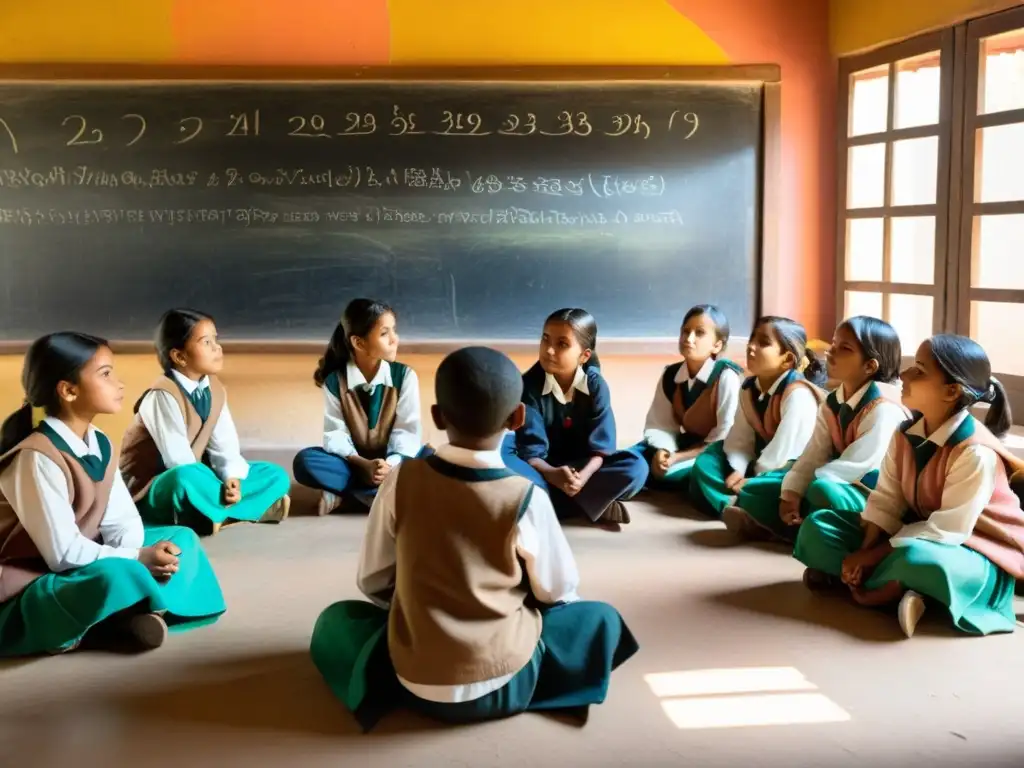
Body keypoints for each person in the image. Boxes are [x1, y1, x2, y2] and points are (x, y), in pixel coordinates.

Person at [309, 347, 638, 729]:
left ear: (436, 415)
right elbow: (556, 592)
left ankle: (390, 682)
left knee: (335, 621)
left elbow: (373, 581)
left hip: (412, 676)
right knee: (599, 619)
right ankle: (542, 689)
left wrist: (415, 609)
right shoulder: (526, 495)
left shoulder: (401, 480)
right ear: (518, 417)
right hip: (506, 681)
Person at [0, 332, 225, 656]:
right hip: (36, 580)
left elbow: (121, 520)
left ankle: (125, 615)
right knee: (115, 574)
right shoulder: (36, 457)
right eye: (106, 374)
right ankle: (128, 614)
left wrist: (144, 552)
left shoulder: (100, 441)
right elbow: (61, 555)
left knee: (181, 540)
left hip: (86, 558)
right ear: (68, 390)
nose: (119, 384)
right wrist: (137, 559)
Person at [794, 335, 1024, 637]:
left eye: (919, 370)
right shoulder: (904, 434)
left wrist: (871, 557)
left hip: (971, 550)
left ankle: (876, 582)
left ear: (951, 391)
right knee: (818, 527)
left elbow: (947, 529)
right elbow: (887, 499)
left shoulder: (975, 452)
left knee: (918, 559)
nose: (904, 375)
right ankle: (900, 589)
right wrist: (865, 548)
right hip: (912, 534)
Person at [727, 316, 907, 542]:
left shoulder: (885, 408)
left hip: (869, 495)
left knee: (822, 490)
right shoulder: (833, 402)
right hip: (833, 478)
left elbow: (856, 467)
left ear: (870, 366)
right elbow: (813, 454)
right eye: (833, 344)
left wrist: (804, 486)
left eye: (845, 348)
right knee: (757, 488)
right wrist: (791, 492)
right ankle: (792, 529)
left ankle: (781, 530)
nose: (831, 352)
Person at [120, 309, 291, 535]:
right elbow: (177, 460)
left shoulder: (215, 390)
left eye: (216, 340)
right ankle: (238, 512)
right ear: (179, 356)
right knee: (186, 478)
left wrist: (232, 479)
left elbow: (225, 446)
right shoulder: (162, 395)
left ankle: (216, 515)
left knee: (275, 474)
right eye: (206, 342)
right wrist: (214, 483)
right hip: (156, 486)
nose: (217, 348)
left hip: (201, 476)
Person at [503, 309, 648, 525]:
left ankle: (551, 503)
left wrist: (582, 478)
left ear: (584, 356)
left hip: (582, 466)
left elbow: (600, 450)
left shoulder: (595, 386)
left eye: (562, 344)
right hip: (540, 466)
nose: (549, 350)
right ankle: (592, 503)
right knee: (501, 454)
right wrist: (553, 474)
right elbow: (531, 452)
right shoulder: (529, 386)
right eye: (545, 339)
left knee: (637, 467)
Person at [292, 299, 423, 514]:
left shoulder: (405, 376)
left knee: (428, 459)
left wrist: (389, 465)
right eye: (384, 334)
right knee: (305, 462)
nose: (394, 340)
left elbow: (407, 430)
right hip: (353, 463)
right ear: (359, 343)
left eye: (394, 331)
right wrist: (363, 464)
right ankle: (378, 495)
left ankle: (350, 494)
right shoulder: (336, 381)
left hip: (393, 463)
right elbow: (335, 433)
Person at [690, 316, 827, 520]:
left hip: (789, 466)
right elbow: (739, 440)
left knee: (785, 486)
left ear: (787, 360)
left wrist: (754, 477)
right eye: (752, 340)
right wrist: (738, 468)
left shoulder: (798, 394)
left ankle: (743, 505)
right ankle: (734, 505)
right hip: (758, 461)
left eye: (763, 343)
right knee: (707, 460)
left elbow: (785, 452)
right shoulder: (748, 389)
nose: (751, 347)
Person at [639, 304, 741, 490]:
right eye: (685, 331)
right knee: (635, 456)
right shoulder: (671, 374)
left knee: (685, 472)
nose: (689, 338)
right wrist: (664, 450)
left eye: (700, 333)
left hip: (718, 451)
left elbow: (725, 436)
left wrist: (677, 457)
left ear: (717, 345)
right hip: (684, 444)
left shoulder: (726, 377)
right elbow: (660, 424)